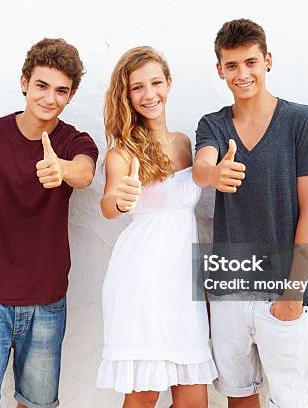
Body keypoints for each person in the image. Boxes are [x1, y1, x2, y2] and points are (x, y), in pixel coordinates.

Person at [0, 38, 98, 408]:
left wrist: (61, 168)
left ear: (71, 95)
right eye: (42, 86)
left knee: (38, 405)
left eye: (61, 91)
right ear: (24, 82)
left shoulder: (74, 142)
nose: (50, 98)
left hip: (48, 303)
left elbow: (84, 172)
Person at [193, 19, 308, 407]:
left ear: (267, 60)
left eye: (250, 62)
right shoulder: (213, 124)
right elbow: (202, 167)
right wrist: (214, 173)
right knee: (240, 396)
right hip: (230, 289)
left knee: (292, 400)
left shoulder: (300, 120)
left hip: (284, 289)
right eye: (232, 66)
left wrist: (294, 292)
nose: (242, 73)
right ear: (220, 70)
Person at [96, 46, 217, 407]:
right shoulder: (122, 153)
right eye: (137, 88)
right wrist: (121, 198)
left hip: (183, 280)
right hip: (142, 280)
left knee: (194, 397)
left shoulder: (184, 142)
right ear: (127, 95)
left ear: (169, 83)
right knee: (145, 393)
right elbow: (108, 205)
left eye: (155, 83)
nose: (149, 95)